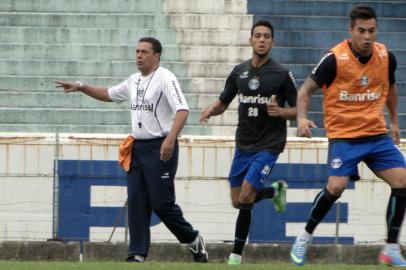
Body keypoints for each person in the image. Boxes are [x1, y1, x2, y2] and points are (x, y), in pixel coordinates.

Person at [55, 37, 208, 263]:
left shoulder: (166, 78)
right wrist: (82, 87)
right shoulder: (133, 80)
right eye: (137, 51)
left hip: (161, 147)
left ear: (156, 56)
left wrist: (170, 140)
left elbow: (183, 110)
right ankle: (136, 253)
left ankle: (193, 239)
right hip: (137, 147)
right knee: (136, 201)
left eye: (144, 52)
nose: (139, 55)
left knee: (162, 204)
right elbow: (108, 94)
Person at [290, 5, 406, 267]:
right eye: (362, 31)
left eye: (372, 31)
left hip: (376, 135)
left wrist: (395, 122)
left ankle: (390, 248)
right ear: (351, 31)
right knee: (336, 187)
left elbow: (391, 89)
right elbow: (305, 90)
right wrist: (301, 118)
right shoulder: (334, 58)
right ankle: (304, 237)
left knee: (403, 181)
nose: (367, 36)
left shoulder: (386, 56)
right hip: (344, 137)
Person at [200, 20, 297, 265]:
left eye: (267, 36)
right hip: (243, 143)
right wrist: (211, 110)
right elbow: (224, 102)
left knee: (245, 196)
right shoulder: (238, 72)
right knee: (237, 201)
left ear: (272, 42)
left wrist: (282, 113)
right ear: (250, 39)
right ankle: (275, 190)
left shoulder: (282, 75)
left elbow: (300, 108)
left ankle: (236, 255)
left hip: (269, 144)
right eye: (258, 35)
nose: (262, 39)